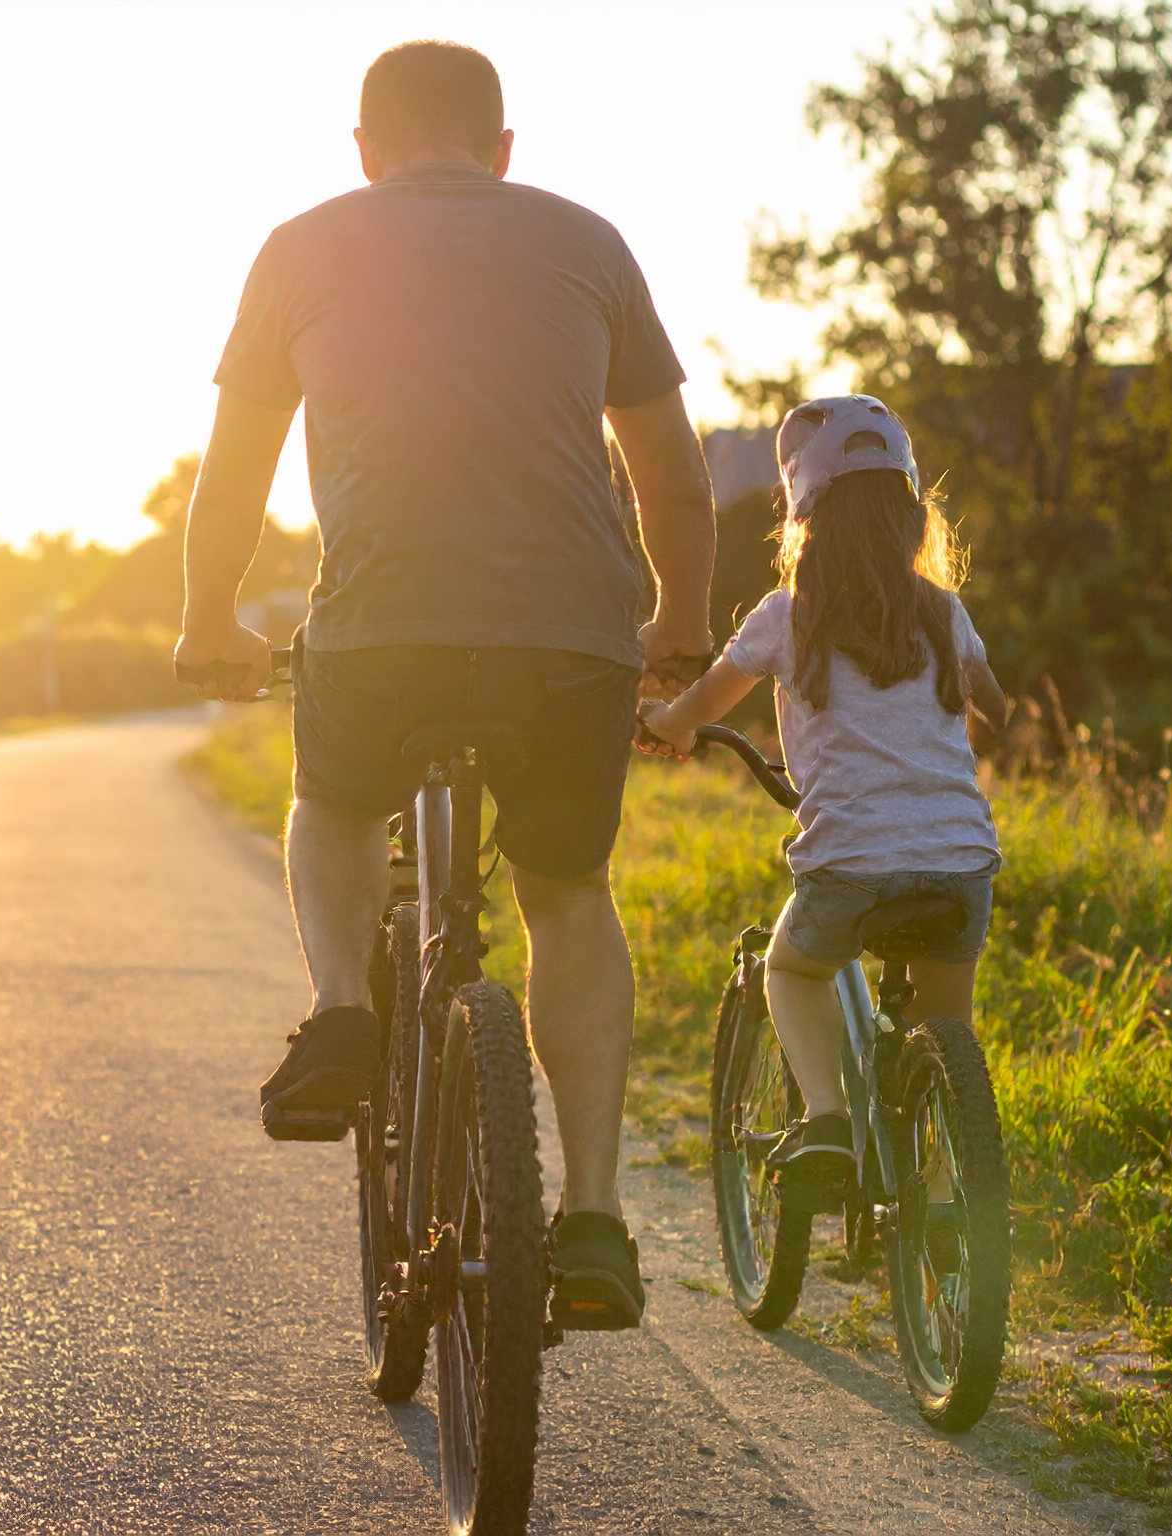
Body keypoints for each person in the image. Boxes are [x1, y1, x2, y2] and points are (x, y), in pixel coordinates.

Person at [174, 40, 715, 1332]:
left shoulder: (301, 244)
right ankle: (589, 1219)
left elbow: (233, 474)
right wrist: (680, 627)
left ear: (362, 151)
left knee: (335, 803)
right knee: (567, 893)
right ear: (504, 149)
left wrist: (208, 621)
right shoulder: (587, 241)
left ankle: (344, 1014)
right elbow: (671, 476)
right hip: (570, 640)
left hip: (380, 635)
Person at [637, 395, 1010, 1204]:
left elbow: (706, 704)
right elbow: (997, 710)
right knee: (949, 1028)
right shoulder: (946, 614)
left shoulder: (785, 617)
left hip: (851, 863)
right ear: (913, 521)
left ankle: (828, 1118)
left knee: (791, 971)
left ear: (805, 520)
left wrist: (666, 724)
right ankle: (949, 1207)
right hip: (960, 860)